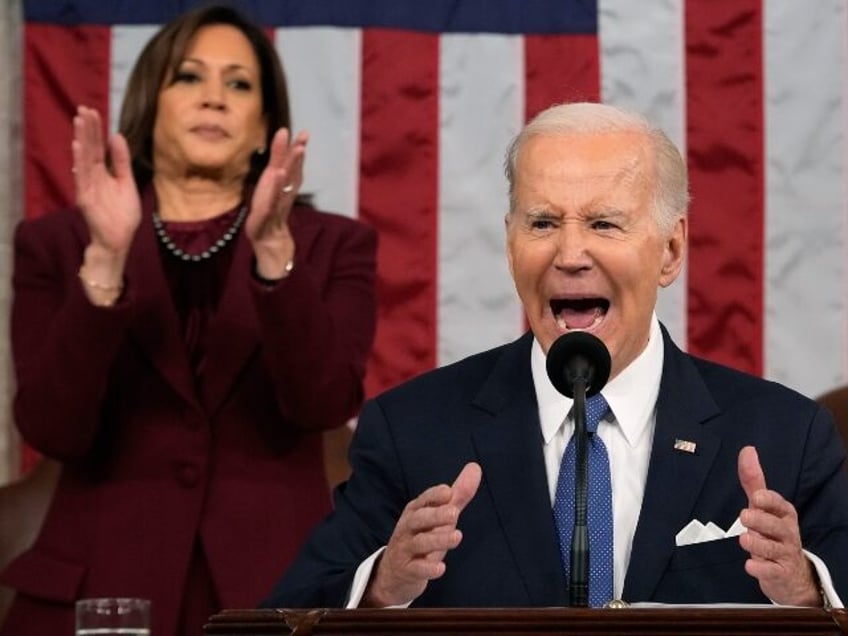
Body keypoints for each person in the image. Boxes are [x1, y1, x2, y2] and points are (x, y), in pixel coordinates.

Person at [262, 102, 848, 610]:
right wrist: (383, 585)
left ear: (671, 250)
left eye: (603, 223)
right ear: (511, 244)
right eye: (542, 223)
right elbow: (290, 613)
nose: (570, 253)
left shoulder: (785, 439)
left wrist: (805, 589)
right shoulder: (413, 432)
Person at [0, 5, 377, 636]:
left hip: (273, 593)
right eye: (189, 78)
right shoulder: (58, 244)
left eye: (238, 84)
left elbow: (322, 404)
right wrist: (106, 261)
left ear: (265, 127)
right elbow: (52, 429)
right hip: (99, 589)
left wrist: (275, 255)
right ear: (151, 106)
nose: (214, 98)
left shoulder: (332, 246)